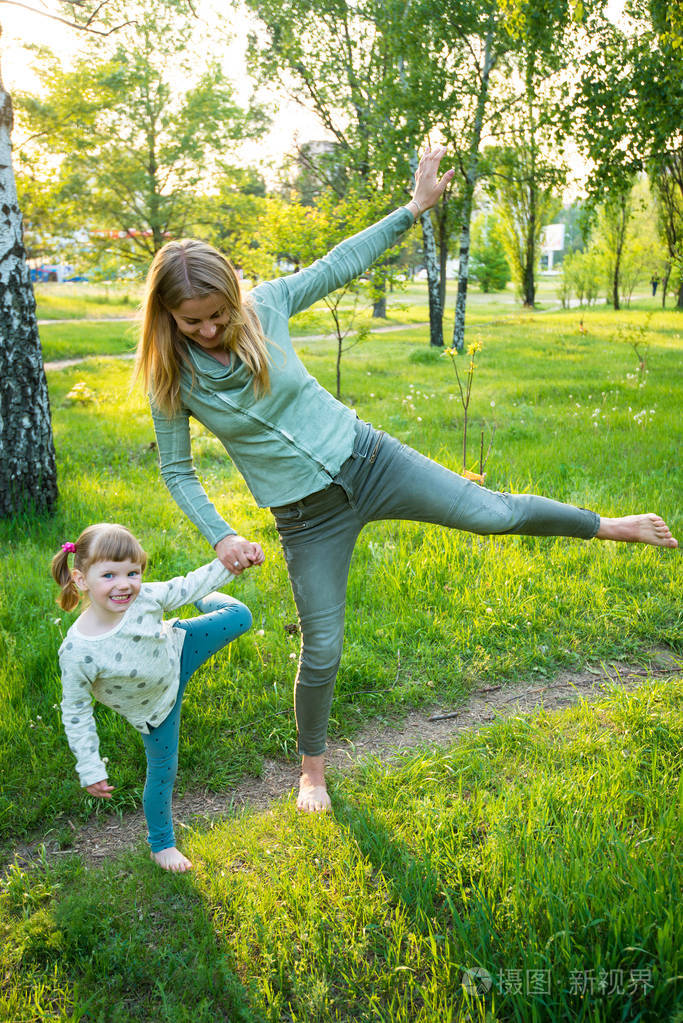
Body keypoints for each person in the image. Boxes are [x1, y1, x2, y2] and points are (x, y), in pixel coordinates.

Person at [136, 147, 678, 815]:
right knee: (323, 645)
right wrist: (220, 534)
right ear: (167, 318)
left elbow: (337, 264)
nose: (211, 329)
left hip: (371, 460)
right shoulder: (171, 377)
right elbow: (176, 469)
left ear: (234, 298)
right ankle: (312, 771)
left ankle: (610, 525)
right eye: (193, 322)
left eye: (218, 314)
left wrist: (413, 209)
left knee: (494, 513)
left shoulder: (267, 307)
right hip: (306, 518)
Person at [52, 522, 262, 872]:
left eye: (132, 572)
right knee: (163, 771)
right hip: (155, 710)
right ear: (81, 579)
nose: (124, 585)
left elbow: (184, 583)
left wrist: (230, 563)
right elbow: (76, 712)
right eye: (109, 575)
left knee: (239, 615)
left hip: (179, 648)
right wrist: (89, 766)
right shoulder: (78, 651)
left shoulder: (145, 596)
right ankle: (161, 844)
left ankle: (203, 600)